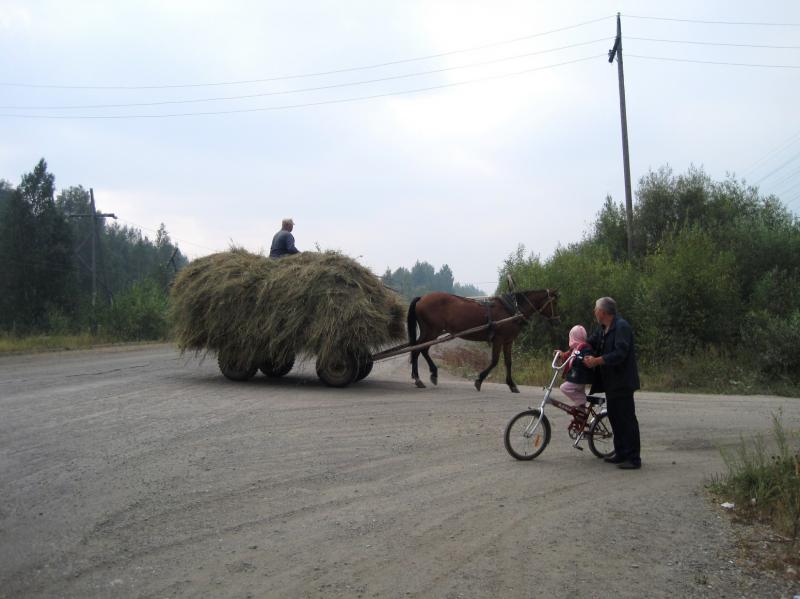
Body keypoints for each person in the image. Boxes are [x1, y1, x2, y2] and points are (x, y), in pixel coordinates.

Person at [583, 297, 642, 470]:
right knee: (615, 418)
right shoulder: (603, 328)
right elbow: (589, 343)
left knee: (627, 420)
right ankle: (621, 452)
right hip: (611, 382)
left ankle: (633, 458)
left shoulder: (621, 327)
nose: (594, 312)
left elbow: (620, 353)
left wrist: (596, 361)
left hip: (623, 382)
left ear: (603, 312)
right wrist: (571, 351)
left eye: (595, 309)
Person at [556, 325, 594, 423]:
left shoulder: (585, 347)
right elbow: (568, 356)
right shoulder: (575, 349)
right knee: (580, 403)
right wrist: (560, 354)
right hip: (576, 377)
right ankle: (581, 420)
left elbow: (586, 357)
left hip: (580, 377)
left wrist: (583, 358)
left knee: (565, 388)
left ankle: (581, 400)